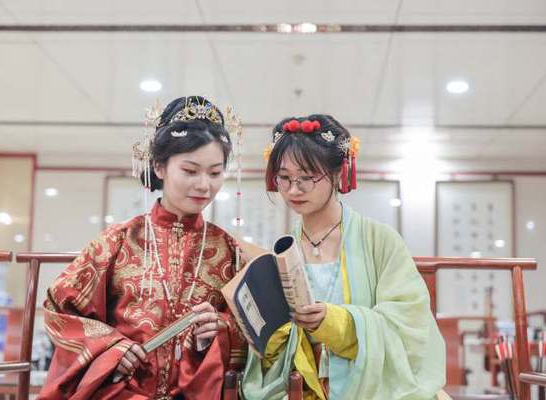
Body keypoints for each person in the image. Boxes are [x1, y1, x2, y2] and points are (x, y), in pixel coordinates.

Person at [38, 96, 246, 400]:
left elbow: (253, 333)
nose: (204, 185)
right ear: (159, 167)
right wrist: (110, 348)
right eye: (190, 171)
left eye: (215, 173)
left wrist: (221, 330)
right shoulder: (117, 240)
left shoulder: (230, 250)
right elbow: (60, 310)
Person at [241, 115, 446, 399]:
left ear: (338, 173)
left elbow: (410, 325)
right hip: (302, 386)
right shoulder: (282, 250)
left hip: (371, 387)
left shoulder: (380, 240)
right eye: (284, 178)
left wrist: (338, 322)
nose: (293, 190)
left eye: (307, 178)